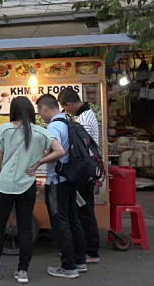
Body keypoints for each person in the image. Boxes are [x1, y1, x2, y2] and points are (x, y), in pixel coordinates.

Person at [0, 96, 65, 284]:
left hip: (6, 185)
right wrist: (39, 162)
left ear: (13, 110)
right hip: (28, 184)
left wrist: (4, 172)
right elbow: (60, 151)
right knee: (25, 228)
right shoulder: (40, 132)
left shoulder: (5, 129)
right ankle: (23, 271)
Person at [36, 94, 86, 279]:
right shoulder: (67, 120)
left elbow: (58, 151)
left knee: (60, 222)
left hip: (57, 180)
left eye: (40, 112)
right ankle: (80, 261)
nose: (41, 116)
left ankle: (68, 266)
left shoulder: (54, 126)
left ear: (44, 108)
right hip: (70, 179)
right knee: (73, 219)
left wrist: (38, 161)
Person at [58, 88, 101, 264]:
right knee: (85, 210)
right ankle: (89, 249)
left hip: (85, 170)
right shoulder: (87, 114)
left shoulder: (83, 119)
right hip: (89, 168)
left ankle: (91, 252)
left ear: (69, 105)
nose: (65, 111)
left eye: (65, 108)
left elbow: (79, 148)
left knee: (85, 211)